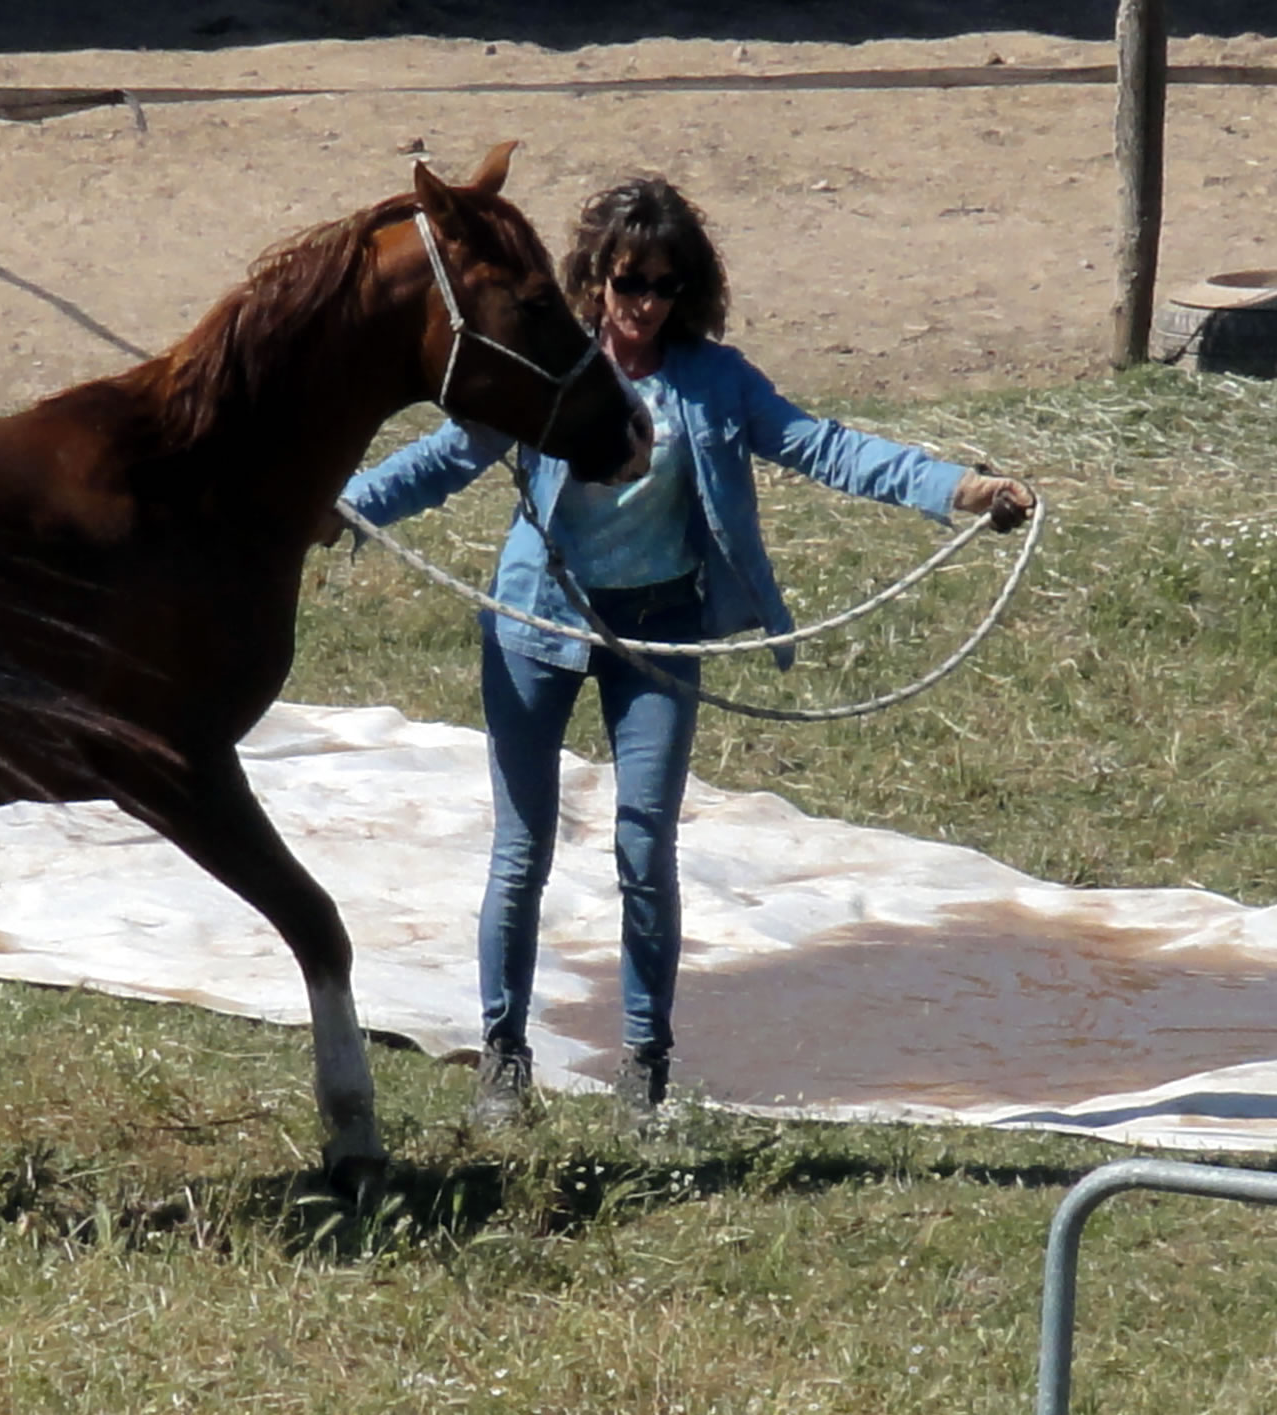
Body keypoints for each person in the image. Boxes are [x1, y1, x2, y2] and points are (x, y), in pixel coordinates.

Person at [336, 174, 1035, 1128]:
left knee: (644, 844)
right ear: (595, 277)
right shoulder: (554, 366)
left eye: (664, 285)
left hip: (658, 632)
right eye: (629, 281)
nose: (644, 303)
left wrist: (960, 489)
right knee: (521, 851)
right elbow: (445, 457)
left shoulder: (714, 381)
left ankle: (644, 1066)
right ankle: (502, 1059)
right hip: (538, 625)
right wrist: (341, 509)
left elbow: (826, 447)